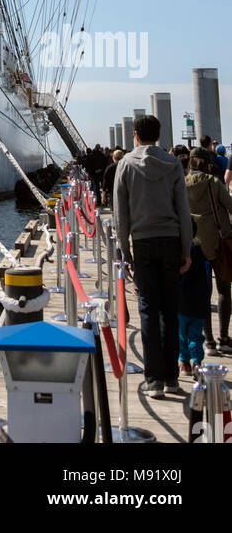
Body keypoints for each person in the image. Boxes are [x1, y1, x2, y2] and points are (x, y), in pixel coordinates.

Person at [113, 114, 192, 398]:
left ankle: (153, 378)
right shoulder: (172, 165)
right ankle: (172, 377)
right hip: (171, 241)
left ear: (135, 134)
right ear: (158, 135)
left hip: (143, 242)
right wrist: (186, 250)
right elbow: (183, 210)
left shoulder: (125, 164)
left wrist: (124, 249)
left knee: (147, 308)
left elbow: (120, 214)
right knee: (170, 310)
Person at [185, 148, 232, 356]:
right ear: (206, 163)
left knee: (202, 293)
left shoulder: (181, 184)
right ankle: (224, 337)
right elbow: (230, 206)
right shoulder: (213, 183)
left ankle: (209, 341)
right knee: (224, 291)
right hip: (218, 241)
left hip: (195, 244)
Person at [178, 219, 212, 375]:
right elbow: (207, 279)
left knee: (182, 334)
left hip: (182, 303)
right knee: (196, 335)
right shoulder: (201, 252)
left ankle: (184, 362)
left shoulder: (180, 253)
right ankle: (197, 362)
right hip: (200, 304)